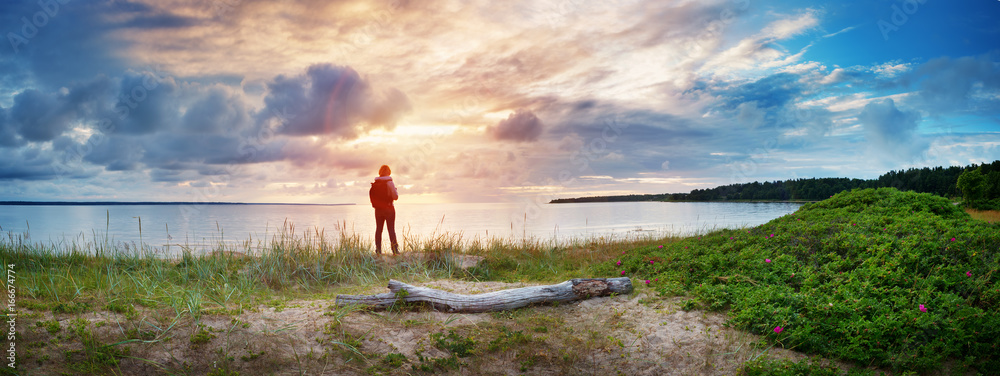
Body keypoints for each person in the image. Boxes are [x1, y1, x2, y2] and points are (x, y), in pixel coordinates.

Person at [370, 165, 399, 255]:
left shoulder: (375, 183)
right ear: (389, 172)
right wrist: (395, 190)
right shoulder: (389, 182)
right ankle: (395, 251)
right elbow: (395, 197)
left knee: (379, 229)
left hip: (378, 210)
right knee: (391, 229)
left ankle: (378, 251)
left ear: (380, 172)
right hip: (389, 208)